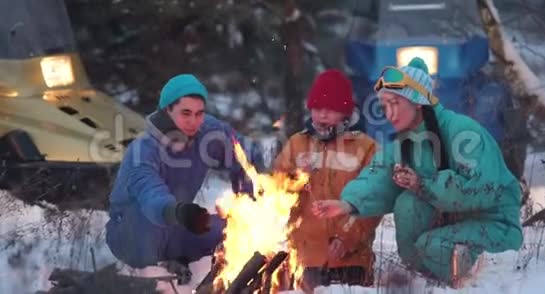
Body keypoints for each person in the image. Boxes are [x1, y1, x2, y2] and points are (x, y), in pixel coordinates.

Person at [311, 58, 523, 287]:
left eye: (395, 103)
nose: (389, 114)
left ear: (418, 102)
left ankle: (469, 272)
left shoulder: (463, 131)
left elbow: (480, 190)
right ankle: (428, 280)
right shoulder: (405, 143)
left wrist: (423, 184)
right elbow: (377, 175)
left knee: (433, 245)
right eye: (384, 106)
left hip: (493, 221)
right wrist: (347, 204)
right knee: (407, 205)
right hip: (450, 220)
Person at [105, 74, 260, 282]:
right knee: (150, 221)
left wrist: (250, 194)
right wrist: (179, 212)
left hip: (178, 226)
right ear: (167, 110)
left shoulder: (207, 133)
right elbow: (152, 197)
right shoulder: (142, 151)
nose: (193, 121)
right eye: (185, 113)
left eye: (199, 114)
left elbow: (244, 154)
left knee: (232, 227)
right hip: (133, 232)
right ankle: (158, 272)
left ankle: (177, 257)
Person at [273, 69, 383, 291]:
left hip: (351, 259)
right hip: (304, 257)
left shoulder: (366, 148)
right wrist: (293, 180)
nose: (322, 115)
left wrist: (347, 239)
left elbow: (373, 200)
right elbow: (275, 188)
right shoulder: (297, 144)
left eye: (330, 109)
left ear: (345, 112)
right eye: (317, 108)